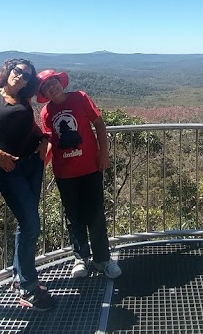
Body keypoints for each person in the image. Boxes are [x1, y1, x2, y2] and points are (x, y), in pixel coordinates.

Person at [0, 58, 55, 312]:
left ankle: (19, 277)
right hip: (10, 168)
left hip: (32, 165)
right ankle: (28, 286)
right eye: (18, 71)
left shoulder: (25, 99)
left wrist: (44, 139)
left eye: (27, 76)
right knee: (31, 225)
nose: (21, 77)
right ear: (7, 71)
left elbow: (31, 128)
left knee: (25, 223)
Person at [35, 69, 121, 280]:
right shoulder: (46, 113)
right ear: (44, 93)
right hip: (65, 174)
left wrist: (104, 155)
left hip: (90, 168)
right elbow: (49, 143)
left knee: (96, 215)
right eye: (46, 86)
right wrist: (38, 168)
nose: (51, 87)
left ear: (60, 82)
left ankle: (103, 259)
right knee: (73, 218)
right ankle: (80, 257)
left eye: (53, 82)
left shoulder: (80, 98)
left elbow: (99, 124)